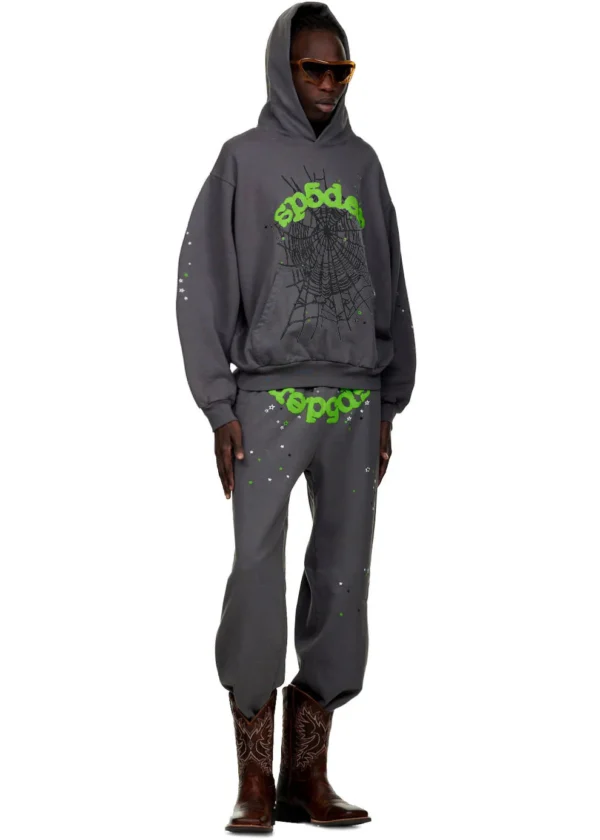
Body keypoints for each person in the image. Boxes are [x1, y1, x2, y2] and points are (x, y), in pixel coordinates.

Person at [176, 1, 416, 831]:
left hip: (355, 398)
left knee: (344, 576)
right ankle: (253, 779)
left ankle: (306, 776)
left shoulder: (363, 164)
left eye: (340, 70)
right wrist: (218, 405)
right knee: (256, 573)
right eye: (314, 67)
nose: (327, 83)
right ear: (284, 67)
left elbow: (390, 279)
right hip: (267, 399)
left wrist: (390, 399)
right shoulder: (241, 161)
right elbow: (203, 282)